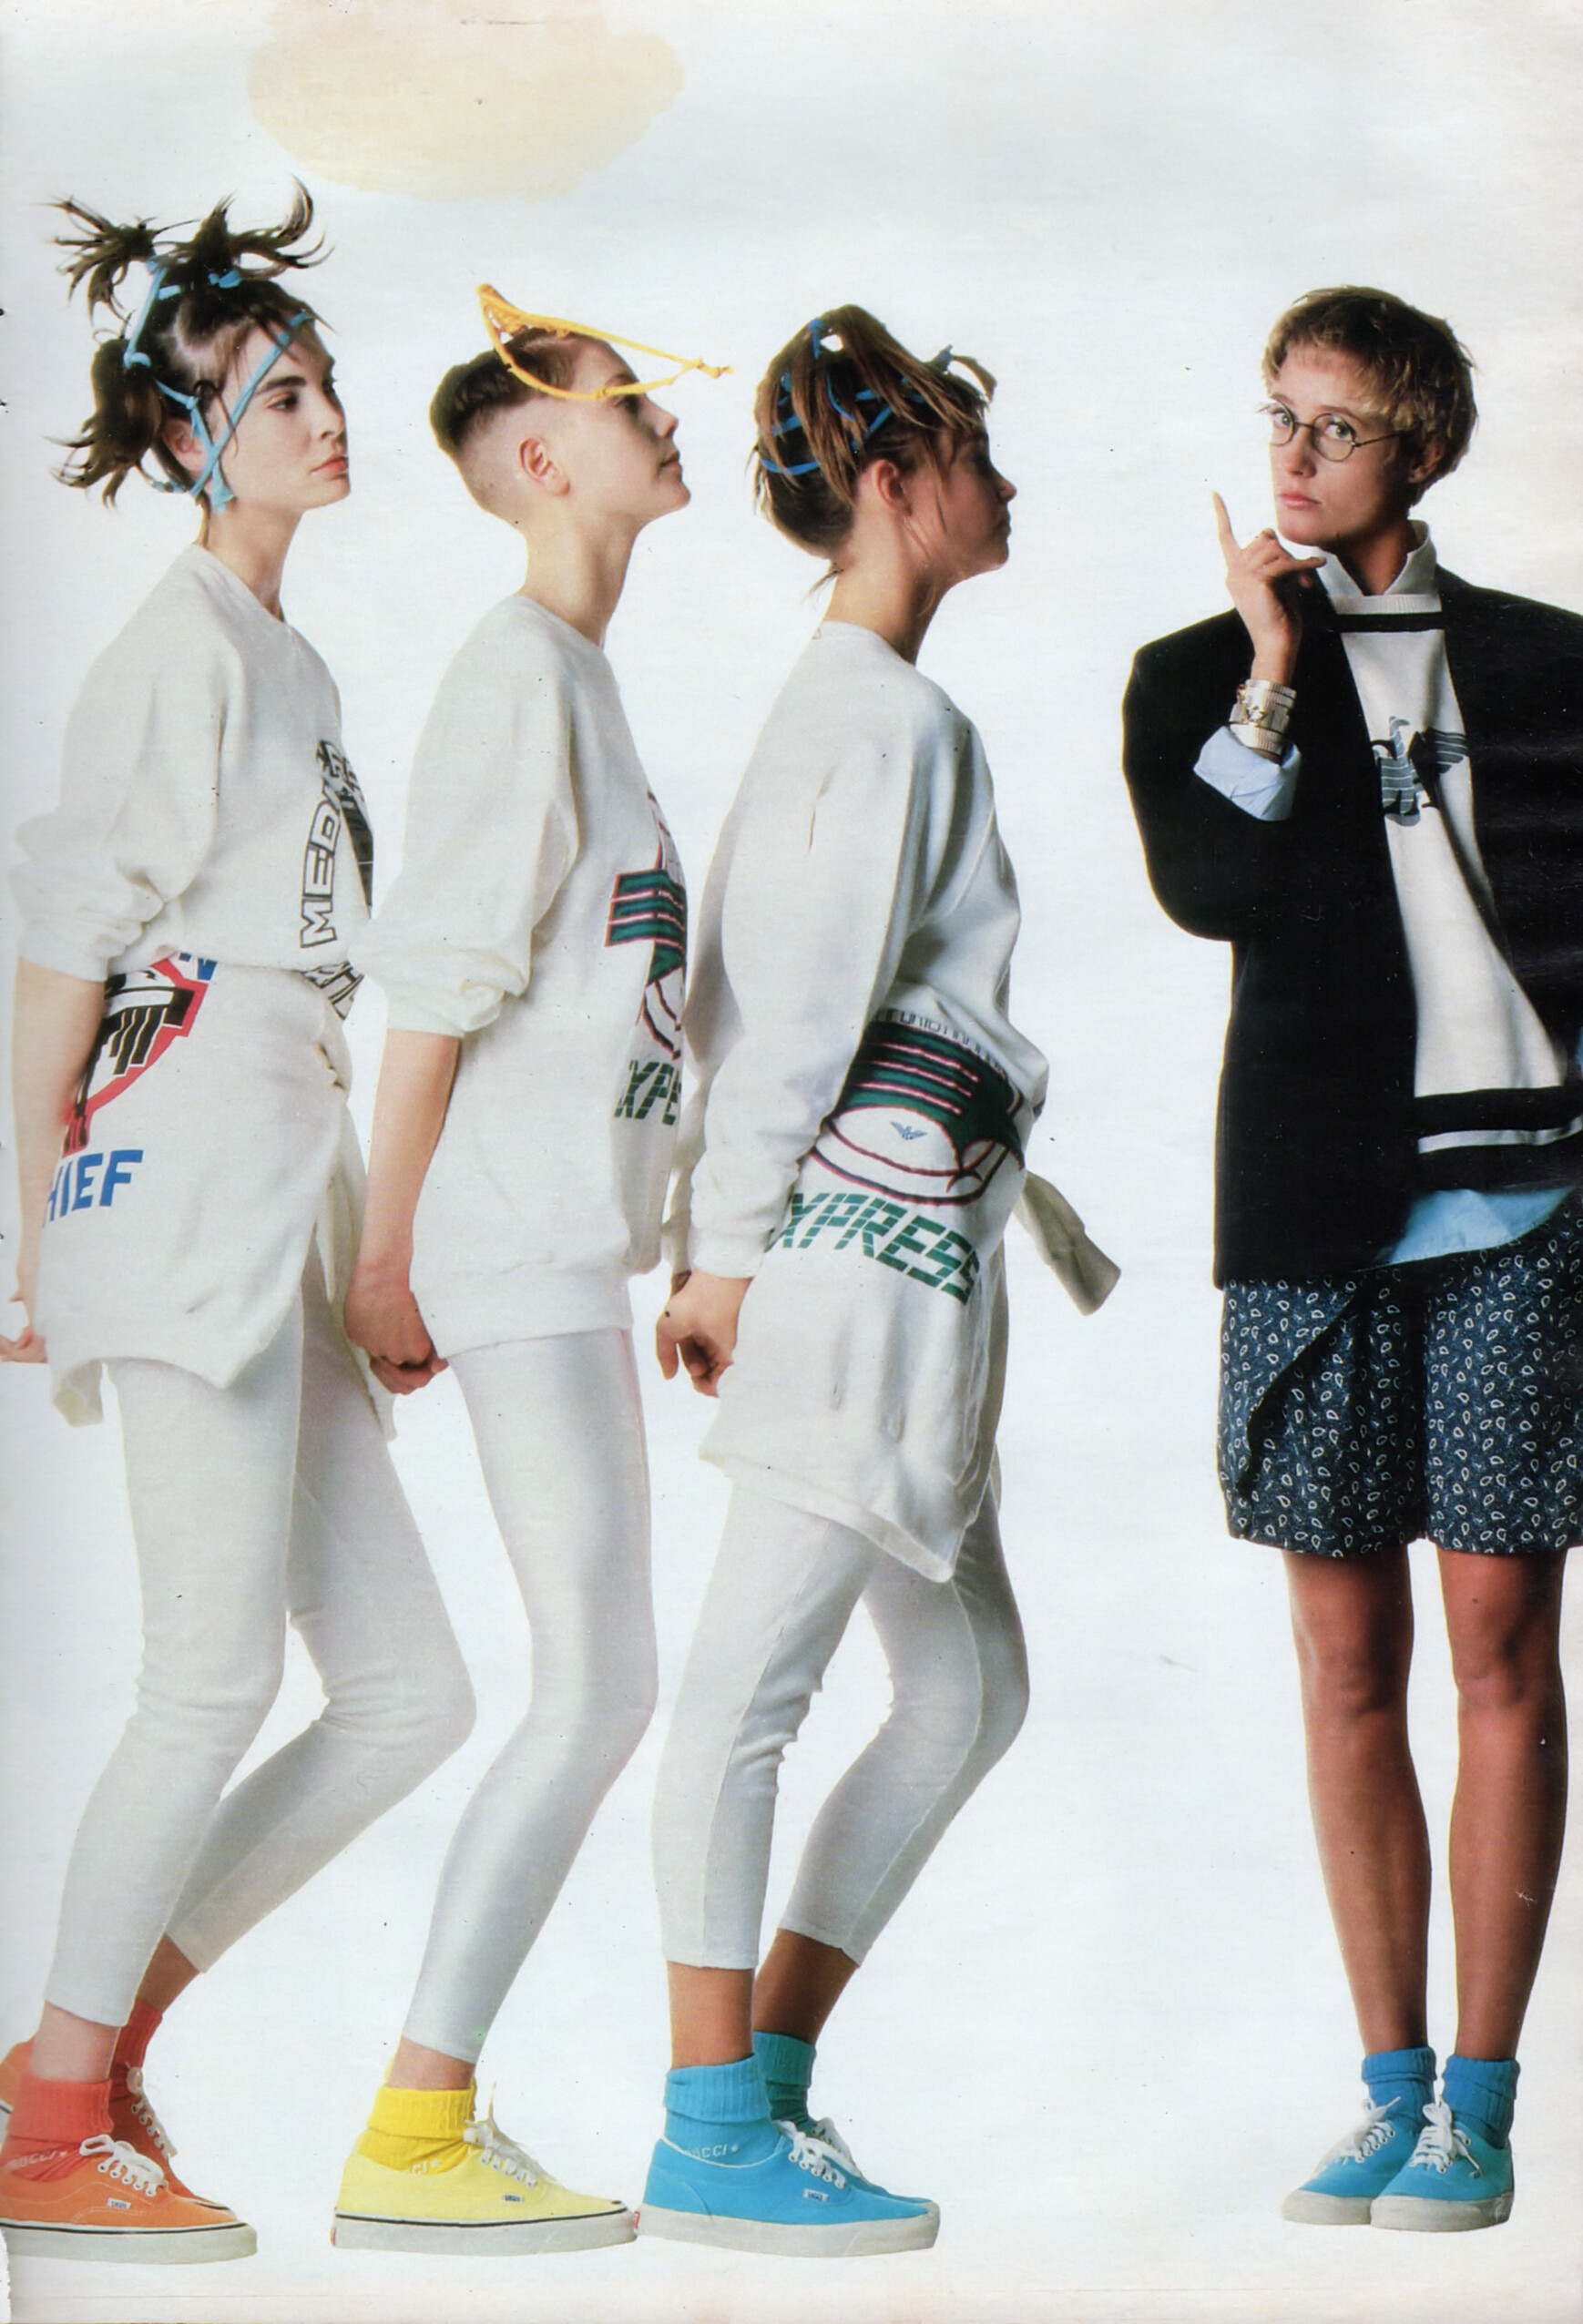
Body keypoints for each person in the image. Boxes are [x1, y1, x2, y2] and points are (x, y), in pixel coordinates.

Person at [0, 193, 475, 2265]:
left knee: (406, 1694)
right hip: (175, 1182)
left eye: (324, 382)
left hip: (281, 1191)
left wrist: (364, 1256)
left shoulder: (293, 659)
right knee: (205, 1674)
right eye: (281, 396)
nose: (326, 415)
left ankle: (86, 2056)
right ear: (191, 439)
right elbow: (61, 957)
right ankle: (43, 2122)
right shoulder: (176, 651)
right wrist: (25, 1235)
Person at [640, 306, 1109, 2258]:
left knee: (968, 1687)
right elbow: (787, 1005)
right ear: (897, 485)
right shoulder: (873, 714)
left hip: (906, 1261)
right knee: (745, 1690)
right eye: (973, 456)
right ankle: (706, 2133)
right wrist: (724, 1254)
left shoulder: (890, 708)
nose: (1003, 484)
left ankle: (760, 2078)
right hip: (846, 1264)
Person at [1123, 286, 1582, 2233]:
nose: (1291, 455)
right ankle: (1382, 2091)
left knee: (1497, 1651)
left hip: (1524, 1200)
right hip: (1310, 1203)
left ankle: (1478, 2106)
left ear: (1421, 448)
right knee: (1339, 1662)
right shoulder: (1196, 670)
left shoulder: (1552, 662)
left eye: (1333, 425)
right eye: (1277, 417)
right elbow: (1207, 891)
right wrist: (1268, 667)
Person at [330, 290, 718, 2256]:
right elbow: (435, 988)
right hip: (504, 1241)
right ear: (543, 457)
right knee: (597, 1686)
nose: (667, 417)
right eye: (625, 399)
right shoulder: (518, 673)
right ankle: (412, 2131)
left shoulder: (581, 680)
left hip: (560, 1244)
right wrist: (382, 1253)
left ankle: (419, 2123)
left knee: (598, 1682)